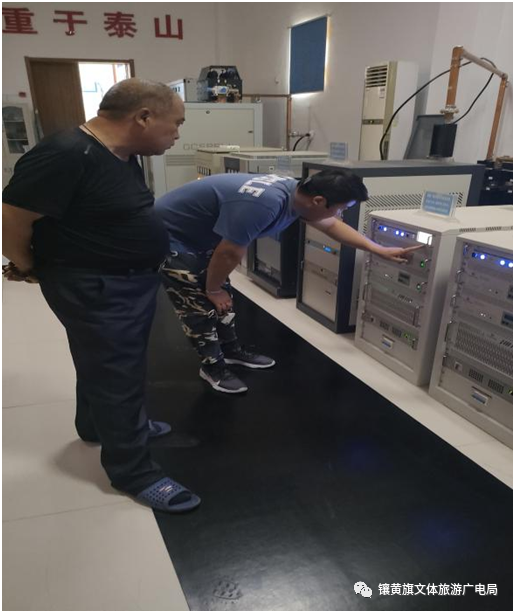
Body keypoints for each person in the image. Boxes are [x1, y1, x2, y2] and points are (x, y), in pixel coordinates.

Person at [2, 78, 201, 513]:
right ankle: (133, 471)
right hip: (96, 285)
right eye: (176, 123)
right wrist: (29, 266)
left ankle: (96, 426)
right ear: (143, 117)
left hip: (124, 281)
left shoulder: (123, 154)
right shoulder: (67, 154)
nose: (177, 134)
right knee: (118, 373)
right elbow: (11, 218)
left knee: (103, 361)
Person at [155, 170, 421, 394]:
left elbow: (331, 226)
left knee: (222, 300)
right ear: (319, 201)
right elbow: (229, 252)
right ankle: (212, 367)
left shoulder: (297, 195)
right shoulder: (264, 205)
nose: (340, 214)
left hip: (200, 237)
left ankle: (230, 351)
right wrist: (212, 289)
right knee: (200, 306)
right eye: (341, 208)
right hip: (170, 237)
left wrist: (377, 249)